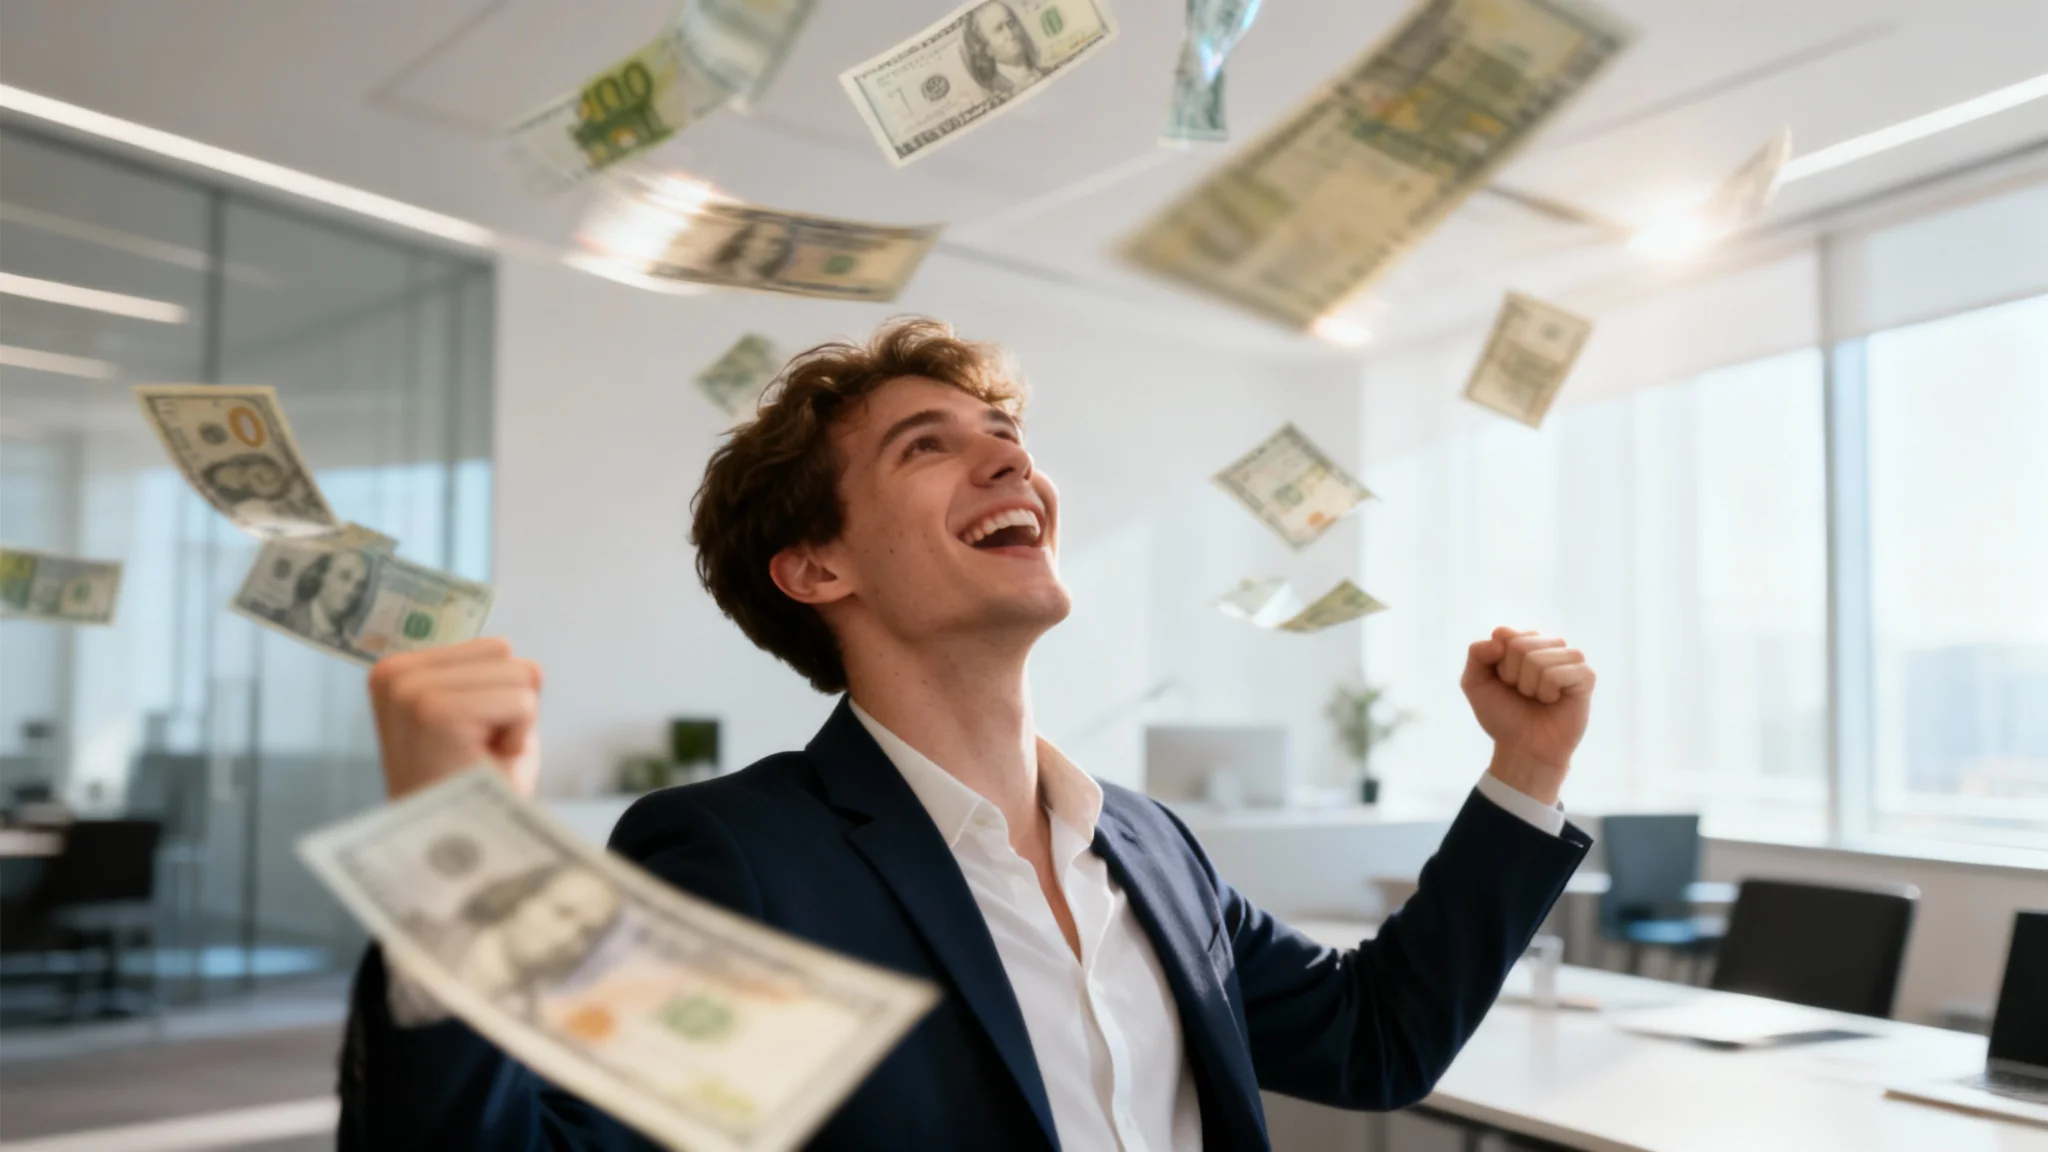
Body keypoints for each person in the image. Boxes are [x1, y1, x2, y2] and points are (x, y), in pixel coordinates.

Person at [342, 318, 1598, 1150]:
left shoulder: (1150, 847)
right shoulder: (742, 861)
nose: (1007, 460)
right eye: (925, 447)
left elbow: (1372, 1040)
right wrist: (454, 872)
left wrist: (1523, 770)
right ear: (815, 567)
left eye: (1006, 435)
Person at [275, 548, 375, 649]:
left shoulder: (345, 648)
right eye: (344, 576)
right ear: (322, 574)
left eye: (359, 585)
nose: (351, 591)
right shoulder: (281, 620)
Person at [962, 1, 1043, 95]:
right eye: (999, 29)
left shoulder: (1043, 68)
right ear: (986, 49)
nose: (1010, 34)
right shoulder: (997, 93)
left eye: (1010, 23)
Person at [707, 220, 795, 284]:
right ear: (745, 242)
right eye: (769, 241)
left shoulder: (770, 282)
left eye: (779, 243)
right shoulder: (713, 272)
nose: (775, 249)